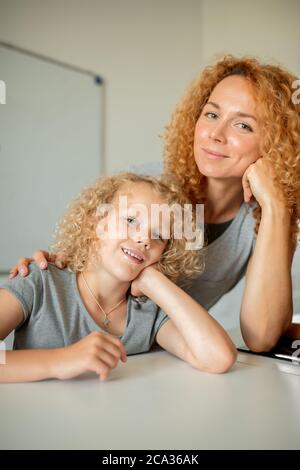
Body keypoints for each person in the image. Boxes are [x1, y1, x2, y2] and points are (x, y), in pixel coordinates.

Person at [10, 55, 300, 351]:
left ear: (274, 145)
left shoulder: (267, 216)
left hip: (174, 358)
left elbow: (261, 337)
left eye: (243, 126)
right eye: (212, 115)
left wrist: (278, 206)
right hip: (87, 352)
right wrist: (44, 270)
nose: (216, 133)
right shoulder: (148, 186)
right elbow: (74, 270)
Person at [0, 173, 237, 383]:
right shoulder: (39, 282)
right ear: (96, 222)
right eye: (131, 220)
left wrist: (155, 282)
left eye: (159, 235)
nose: (145, 239)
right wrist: (60, 361)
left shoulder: (148, 312)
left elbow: (218, 358)